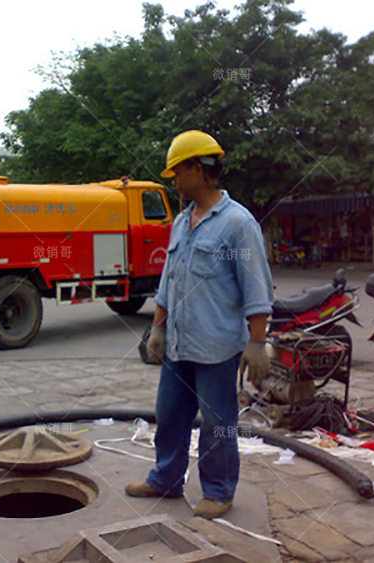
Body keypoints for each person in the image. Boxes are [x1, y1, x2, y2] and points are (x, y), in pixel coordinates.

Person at [125, 131, 274, 520]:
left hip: (217, 347)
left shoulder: (238, 224)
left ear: (198, 169)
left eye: (177, 171)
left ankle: (219, 490)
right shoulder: (181, 222)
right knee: (169, 416)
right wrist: (158, 327)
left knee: (217, 424)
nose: (174, 180)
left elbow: (256, 286)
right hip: (179, 344)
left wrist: (257, 342)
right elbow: (169, 280)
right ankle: (166, 479)